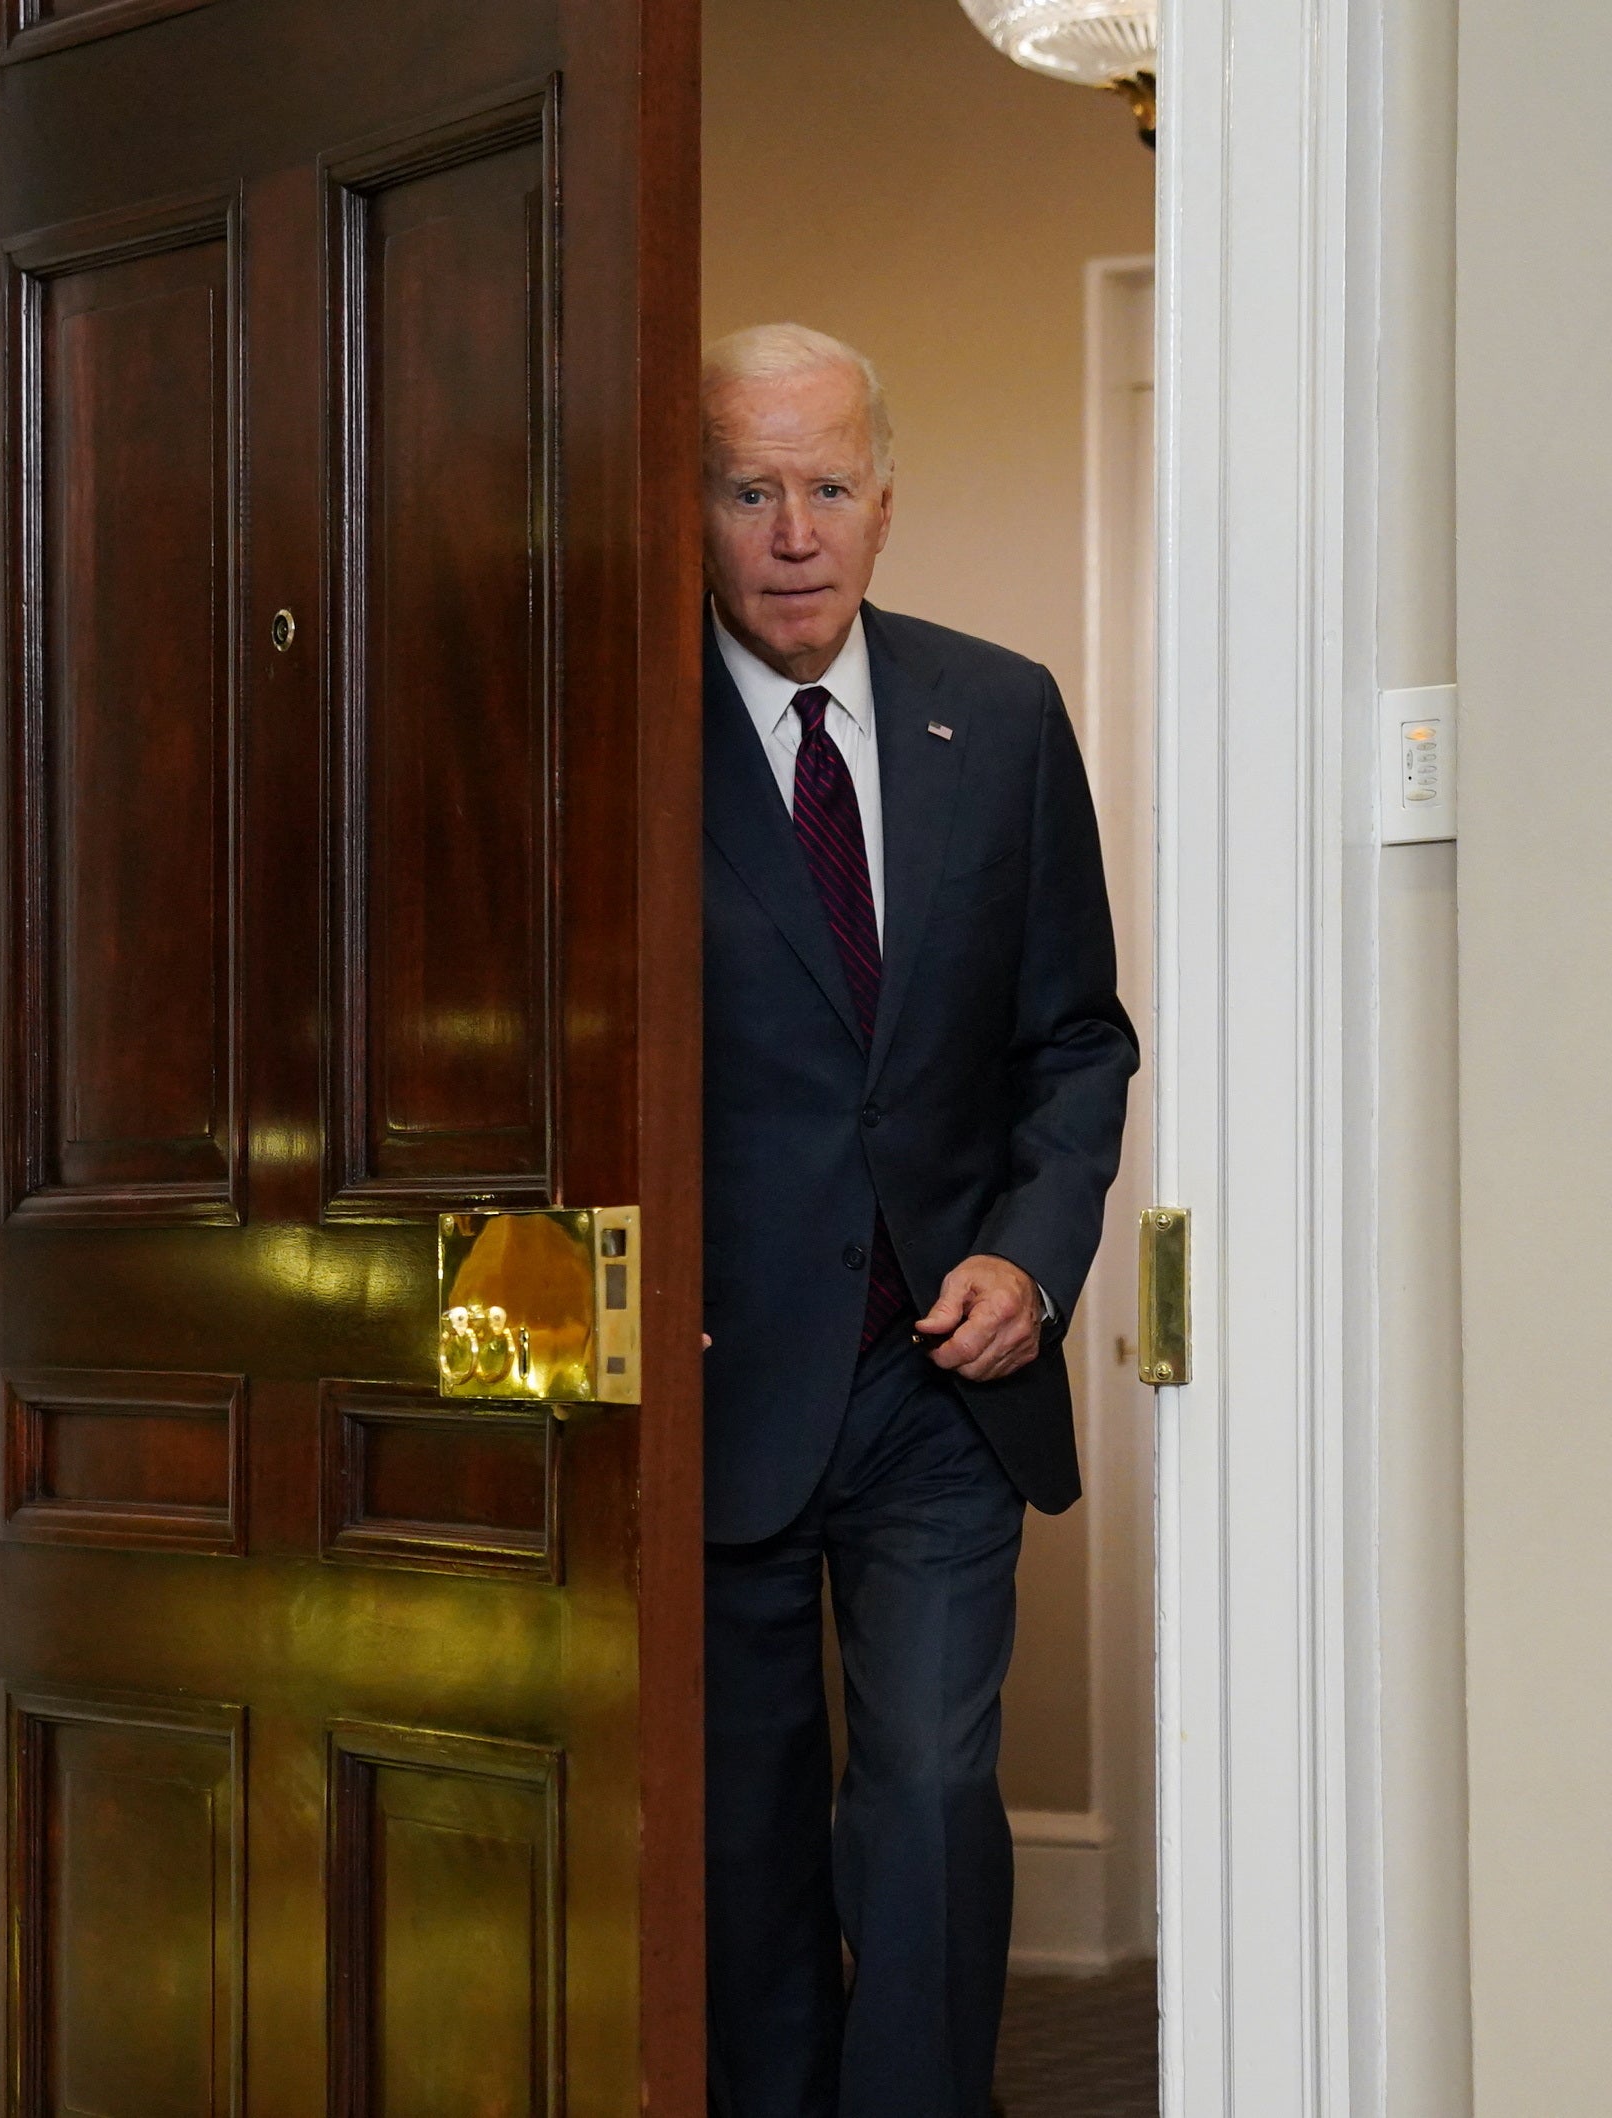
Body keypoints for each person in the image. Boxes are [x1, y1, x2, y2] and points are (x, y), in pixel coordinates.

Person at [699, 322, 1137, 2118]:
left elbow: (1077, 1040)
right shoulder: (615, 736)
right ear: (695, 511)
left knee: (933, 1804)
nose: (792, 529)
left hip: (937, 1384)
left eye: (827, 485)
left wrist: (1033, 1256)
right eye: (748, 488)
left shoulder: (1004, 712)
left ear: (885, 506)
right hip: (709, 1374)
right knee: (743, 1833)